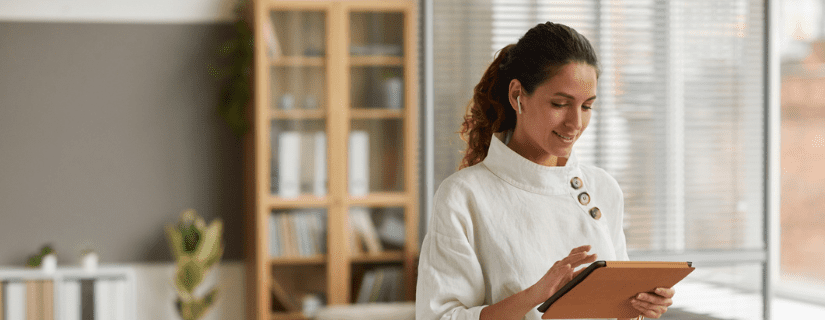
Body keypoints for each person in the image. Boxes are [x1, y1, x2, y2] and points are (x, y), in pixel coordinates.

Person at [415, 22, 676, 320]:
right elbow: (440, 317)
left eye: (587, 107)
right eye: (560, 103)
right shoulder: (463, 196)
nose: (575, 123)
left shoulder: (603, 189)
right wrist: (536, 296)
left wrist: (638, 308)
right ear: (517, 96)